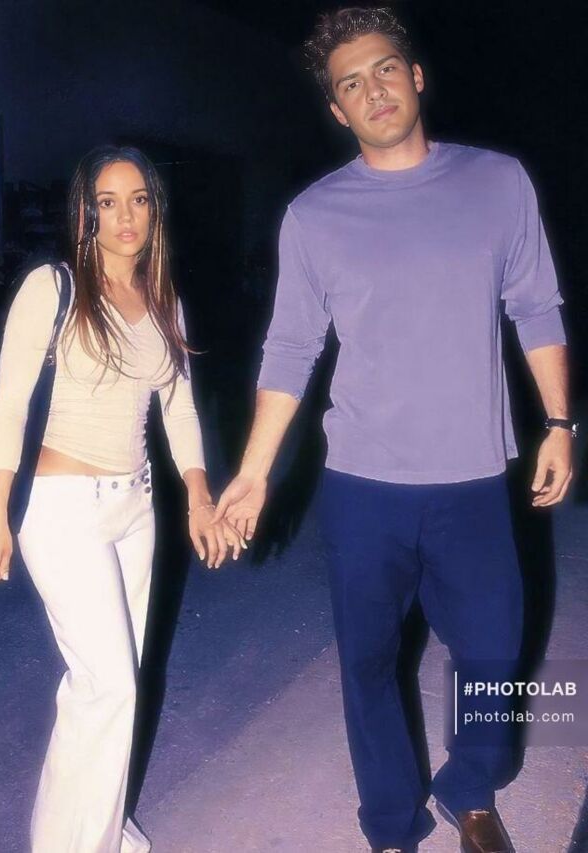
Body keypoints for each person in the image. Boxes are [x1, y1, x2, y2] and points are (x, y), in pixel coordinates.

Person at [214, 7, 574, 853]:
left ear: (415, 76)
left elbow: (536, 306)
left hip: (474, 478)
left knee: (494, 652)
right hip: (363, 485)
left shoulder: (498, 183)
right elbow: (291, 347)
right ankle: (390, 824)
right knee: (368, 661)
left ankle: (471, 786)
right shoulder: (314, 216)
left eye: (383, 69)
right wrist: (254, 472)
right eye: (350, 83)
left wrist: (559, 421)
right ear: (336, 109)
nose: (371, 89)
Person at [0, 145, 245, 852]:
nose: (125, 215)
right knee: (109, 685)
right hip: (61, 506)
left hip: (136, 508)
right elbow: (8, 405)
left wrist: (198, 496)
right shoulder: (53, 286)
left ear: (155, 210)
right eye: (107, 201)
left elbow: (178, 406)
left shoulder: (162, 299)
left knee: (108, 688)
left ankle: (95, 830)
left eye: (139, 199)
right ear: (85, 213)